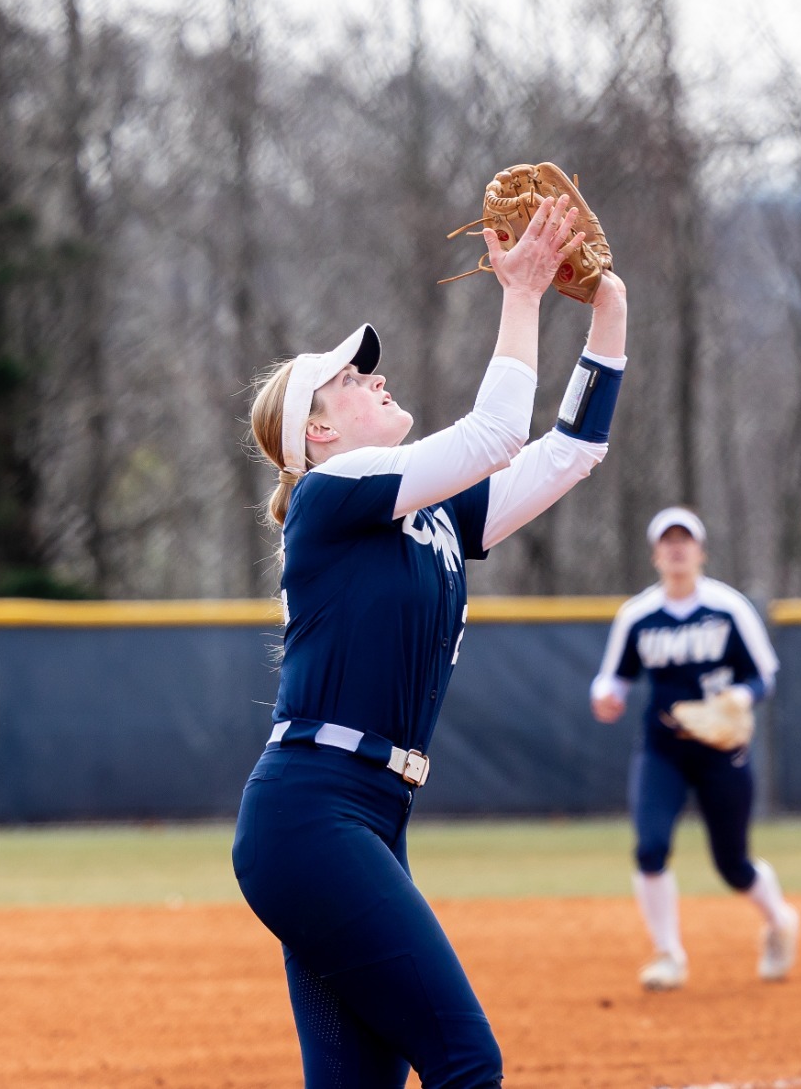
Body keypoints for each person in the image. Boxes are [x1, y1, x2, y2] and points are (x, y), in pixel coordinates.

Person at [233, 193, 628, 1089]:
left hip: (367, 817)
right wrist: (519, 293)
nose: (374, 379)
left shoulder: (431, 513)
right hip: (313, 815)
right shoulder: (328, 497)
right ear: (319, 433)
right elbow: (497, 433)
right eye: (350, 380)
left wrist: (608, 310)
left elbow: (570, 450)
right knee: (465, 1061)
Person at [590, 507, 799, 990]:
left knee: (732, 864)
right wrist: (605, 696)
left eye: (685, 540)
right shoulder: (639, 615)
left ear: (701, 552)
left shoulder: (728, 608)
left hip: (722, 750)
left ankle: (779, 920)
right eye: (668, 541)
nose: (677, 548)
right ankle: (669, 955)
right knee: (650, 848)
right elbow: (614, 677)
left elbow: (764, 674)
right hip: (663, 747)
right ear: (656, 554)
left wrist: (740, 696)